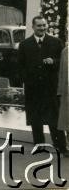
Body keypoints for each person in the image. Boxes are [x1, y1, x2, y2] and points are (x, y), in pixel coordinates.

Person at [18, 16, 67, 155]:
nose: (42, 28)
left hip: (51, 87)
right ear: (33, 27)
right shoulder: (25, 44)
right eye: (39, 26)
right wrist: (26, 80)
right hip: (33, 88)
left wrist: (54, 61)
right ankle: (39, 145)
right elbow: (20, 66)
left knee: (54, 118)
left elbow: (64, 62)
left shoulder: (56, 42)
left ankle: (61, 146)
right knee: (35, 118)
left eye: (44, 25)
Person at [57, 46, 68, 143]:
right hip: (66, 93)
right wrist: (60, 92)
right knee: (67, 122)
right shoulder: (65, 51)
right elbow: (61, 73)